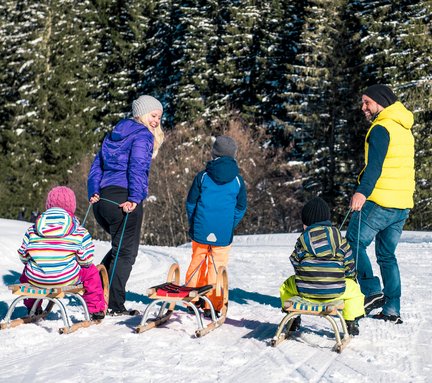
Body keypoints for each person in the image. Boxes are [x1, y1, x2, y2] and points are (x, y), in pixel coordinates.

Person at [87, 95, 164, 316]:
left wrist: (94, 192)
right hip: (124, 199)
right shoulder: (142, 135)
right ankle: (115, 304)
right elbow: (138, 167)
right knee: (126, 253)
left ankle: (96, 291)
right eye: (153, 115)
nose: (156, 121)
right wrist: (135, 197)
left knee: (118, 249)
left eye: (159, 117)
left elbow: (96, 166)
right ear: (140, 113)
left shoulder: (113, 134)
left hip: (102, 202)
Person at [346, 84, 415, 324]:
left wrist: (361, 192)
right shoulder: (403, 128)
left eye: (367, 102)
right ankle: (392, 308)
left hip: (380, 200)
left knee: (351, 243)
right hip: (402, 203)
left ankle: (371, 291)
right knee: (387, 255)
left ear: (381, 102)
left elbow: (374, 167)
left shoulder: (381, 128)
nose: (363, 107)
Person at [18, 186, 107, 320]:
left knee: (27, 270)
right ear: (72, 206)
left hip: (36, 279)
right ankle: (95, 309)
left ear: (48, 205)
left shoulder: (33, 229)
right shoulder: (78, 230)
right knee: (91, 272)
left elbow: (23, 256)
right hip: (66, 278)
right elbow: (86, 260)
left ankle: (33, 307)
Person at [280, 197, 365, 336]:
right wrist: (349, 278)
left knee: (285, 286)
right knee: (355, 291)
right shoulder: (339, 239)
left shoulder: (302, 240)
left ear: (306, 223)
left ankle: (293, 317)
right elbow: (349, 263)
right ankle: (351, 321)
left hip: (305, 291)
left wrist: (304, 274)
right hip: (335, 290)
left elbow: (294, 261)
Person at [184, 136, 247, 317]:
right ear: (233, 155)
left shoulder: (203, 176)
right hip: (222, 233)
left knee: (197, 262)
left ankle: (192, 298)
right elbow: (241, 207)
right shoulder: (237, 180)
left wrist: (194, 223)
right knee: (217, 266)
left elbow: (191, 203)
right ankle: (212, 304)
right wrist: (229, 224)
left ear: (214, 153)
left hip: (201, 229)